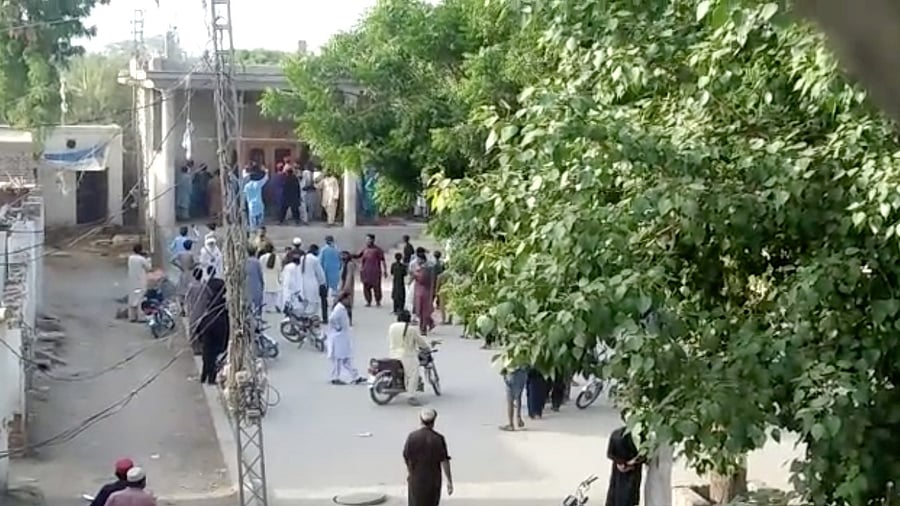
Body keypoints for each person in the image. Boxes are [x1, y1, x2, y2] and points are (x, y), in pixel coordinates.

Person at [403, 408, 454, 506]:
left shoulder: (412, 437)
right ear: (433, 422)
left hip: (416, 480)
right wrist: (449, 481)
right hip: (433, 482)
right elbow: (445, 461)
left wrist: (411, 472)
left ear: (420, 421)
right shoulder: (438, 439)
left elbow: (406, 457)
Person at [388, 310, 430, 405]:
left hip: (393, 354)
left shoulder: (392, 327)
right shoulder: (411, 329)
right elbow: (420, 342)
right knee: (413, 373)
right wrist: (426, 347)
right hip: (406, 355)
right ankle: (411, 396)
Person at [326, 291, 365, 385]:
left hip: (343, 337)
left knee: (346, 359)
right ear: (343, 299)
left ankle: (356, 376)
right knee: (338, 359)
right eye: (348, 299)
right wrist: (338, 327)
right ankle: (335, 377)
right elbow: (331, 319)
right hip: (338, 338)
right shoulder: (339, 309)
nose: (349, 301)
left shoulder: (343, 308)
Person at [199, 278, 229, 385]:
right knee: (212, 355)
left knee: (207, 354)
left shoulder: (209, 300)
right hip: (218, 327)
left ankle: (204, 376)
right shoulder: (221, 302)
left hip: (208, 326)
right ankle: (210, 378)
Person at [606, 426, 643, 506]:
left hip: (618, 474)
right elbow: (643, 456)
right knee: (629, 498)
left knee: (615, 497)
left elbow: (609, 454)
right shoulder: (639, 435)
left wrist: (621, 463)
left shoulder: (615, 434)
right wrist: (629, 463)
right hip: (632, 474)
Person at [356, 233, 386, 307]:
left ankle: (378, 301)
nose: (367, 241)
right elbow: (358, 256)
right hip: (365, 272)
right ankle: (368, 301)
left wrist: (385, 270)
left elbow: (383, 260)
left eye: (369, 239)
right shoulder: (364, 249)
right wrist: (349, 255)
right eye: (366, 239)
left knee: (377, 287)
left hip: (375, 272)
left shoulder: (378, 250)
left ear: (373, 240)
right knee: (366, 287)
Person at [184, 267, 209, 355]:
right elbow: (210, 296)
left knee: (193, 329)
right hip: (202, 311)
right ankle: (201, 347)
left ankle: (195, 348)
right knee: (202, 329)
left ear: (194, 275)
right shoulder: (204, 286)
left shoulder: (191, 286)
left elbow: (186, 298)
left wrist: (186, 309)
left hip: (193, 311)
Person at [499, 357, 528, 431]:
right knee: (518, 396)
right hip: (522, 372)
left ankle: (511, 424)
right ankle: (518, 418)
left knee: (510, 400)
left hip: (512, 372)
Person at [298, 245, 326, 319]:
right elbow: (319, 273)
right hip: (312, 283)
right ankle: (311, 318)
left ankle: (304, 317)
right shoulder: (314, 259)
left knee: (304, 302)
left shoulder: (302, 258)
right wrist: (322, 282)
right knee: (313, 302)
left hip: (302, 283)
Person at [412, 248, 436, 335]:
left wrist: (415, 274)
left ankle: (423, 328)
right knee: (422, 310)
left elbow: (422, 279)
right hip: (421, 291)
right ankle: (428, 324)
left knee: (423, 311)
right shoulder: (427, 268)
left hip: (424, 291)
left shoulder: (426, 269)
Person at [127, 244, 152, 322]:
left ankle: (132, 316)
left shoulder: (130, 258)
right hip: (140, 280)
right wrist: (148, 259)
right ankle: (140, 317)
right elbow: (149, 268)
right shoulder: (142, 259)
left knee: (132, 297)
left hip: (132, 280)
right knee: (140, 298)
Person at [171, 239, 196, 314]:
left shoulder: (180, 254)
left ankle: (182, 309)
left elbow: (172, 261)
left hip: (182, 273)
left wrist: (179, 266)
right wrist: (196, 265)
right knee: (190, 292)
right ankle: (190, 309)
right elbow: (193, 264)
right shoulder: (191, 254)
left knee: (181, 292)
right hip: (190, 274)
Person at [243, 165, 269, 231]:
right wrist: (266, 171)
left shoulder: (246, 186)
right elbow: (265, 179)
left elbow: (245, 196)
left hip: (251, 206)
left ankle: (254, 232)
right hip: (259, 204)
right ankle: (260, 232)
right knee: (260, 222)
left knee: (253, 223)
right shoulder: (257, 184)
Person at [259, 245, 282, 312]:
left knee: (267, 294)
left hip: (265, 277)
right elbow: (279, 269)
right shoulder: (277, 257)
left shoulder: (262, 258)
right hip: (274, 277)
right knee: (275, 293)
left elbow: (260, 268)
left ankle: (267, 307)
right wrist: (279, 278)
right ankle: (275, 306)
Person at [338, 250, 358, 325]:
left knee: (347, 304)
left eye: (344, 255)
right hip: (343, 285)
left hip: (347, 287)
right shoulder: (344, 264)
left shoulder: (350, 264)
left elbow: (349, 277)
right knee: (343, 305)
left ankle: (349, 321)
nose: (342, 257)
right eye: (342, 255)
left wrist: (346, 289)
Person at [245, 246, 265, 313]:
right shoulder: (257, 262)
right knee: (258, 301)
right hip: (257, 283)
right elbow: (260, 273)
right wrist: (263, 283)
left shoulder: (245, 262)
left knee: (249, 301)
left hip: (248, 283)